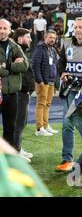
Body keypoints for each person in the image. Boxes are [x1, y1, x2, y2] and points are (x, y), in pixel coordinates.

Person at [56, 17, 82, 172]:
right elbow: (61, 62)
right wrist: (62, 72)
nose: (77, 30)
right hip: (71, 91)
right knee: (67, 124)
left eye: (80, 27)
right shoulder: (67, 43)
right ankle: (67, 159)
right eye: (75, 27)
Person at [0, 19, 29, 150]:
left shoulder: (14, 46)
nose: (1, 31)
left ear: (9, 30)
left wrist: (7, 66)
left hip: (12, 94)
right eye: (0, 28)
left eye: (4, 28)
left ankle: (7, 159)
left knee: (10, 128)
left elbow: (24, 65)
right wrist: (11, 68)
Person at [12, 28, 34, 162]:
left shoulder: (22, 51)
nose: (31, 39)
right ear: (20, 39)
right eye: (28, 36)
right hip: (19, 93)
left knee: (22, 122)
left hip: (24, 93)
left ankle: (18, 148)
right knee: (18, 124)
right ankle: (15, 151)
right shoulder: (16, 52)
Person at [31, 30, 59, 137]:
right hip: (43, 82)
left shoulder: (52, 50)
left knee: (47, 104)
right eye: (50, 37)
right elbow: (35, 66)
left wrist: (55, 82)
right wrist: (40, 81)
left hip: (51, 82)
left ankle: (46, 126)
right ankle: (39, 128)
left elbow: (55, 66)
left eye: (54, 38)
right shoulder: (40, 49)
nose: (52, 39)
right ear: (45, 37)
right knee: (41, 104)